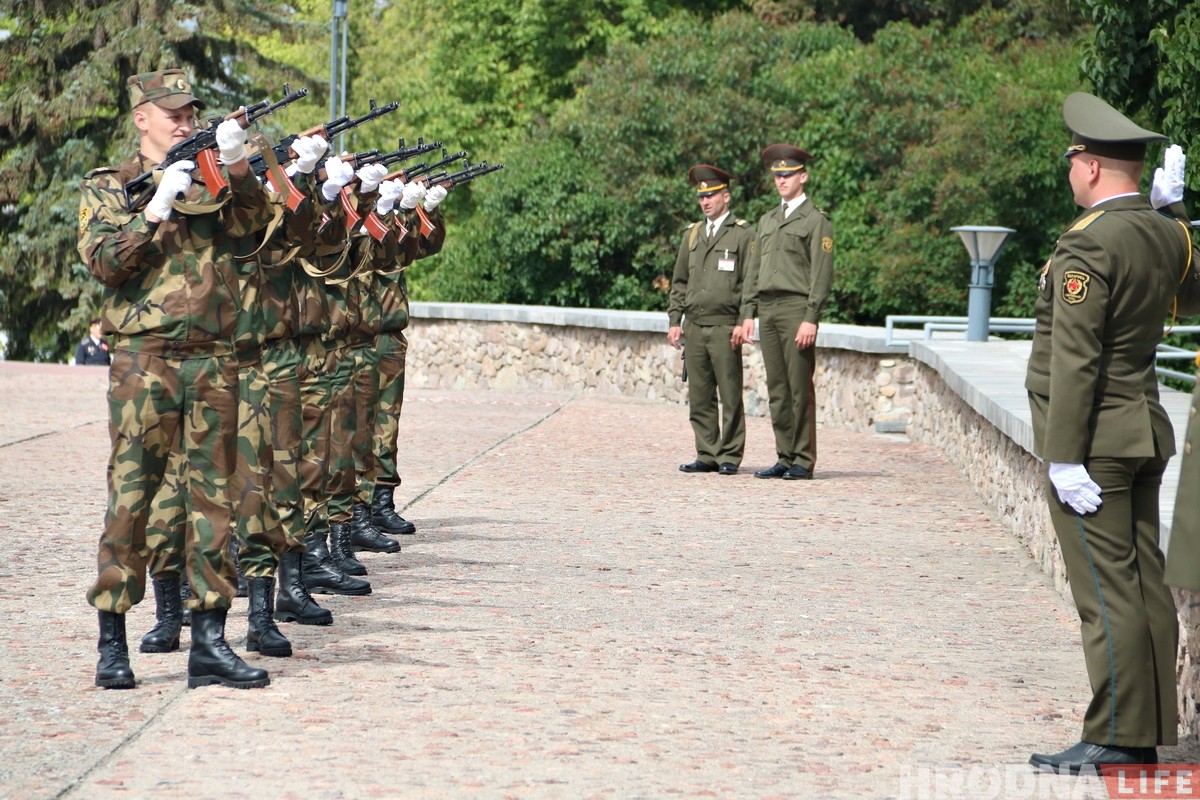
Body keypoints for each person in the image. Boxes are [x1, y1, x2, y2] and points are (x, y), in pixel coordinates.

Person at [77, 67, 276, 690]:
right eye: (173, 114)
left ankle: (210, 641)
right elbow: (105, 262)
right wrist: (154, 209)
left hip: (214, 356)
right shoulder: (110, 187)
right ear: (142, 118)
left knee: (214, 499)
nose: (186, 121)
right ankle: (113, 639)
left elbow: (258, 230)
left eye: (191, 112)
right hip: (146, 358)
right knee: (133, 497)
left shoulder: (209, 176)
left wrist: (238, 165)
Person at [1025, 92, 1200, 774]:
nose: (1070, 171)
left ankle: (1117, 735)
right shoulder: (1160, 232)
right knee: (1141, 584)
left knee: (1104, 591)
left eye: (1073, 159)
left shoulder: (1089, 242)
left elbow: (1074, 359)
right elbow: (1191, 287)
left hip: (1095, 441)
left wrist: (1064, 457)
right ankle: (1146, 726)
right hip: (1143, 427)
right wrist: (1176, 212)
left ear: (1091, 166)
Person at [735, 144, 834, 481]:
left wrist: (811, 316)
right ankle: (784, 455)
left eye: (788, 175)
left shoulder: (815, 220)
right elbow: (753, 271)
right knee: (777, 388)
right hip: (768, 309)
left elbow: (821, 273)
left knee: (798, 388)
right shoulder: (768, 220)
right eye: (777, 175)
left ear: (803, 177)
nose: (781, 180)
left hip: (795, 309)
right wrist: (747, 312)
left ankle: (803, 460)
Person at [667, 165, 757, 475]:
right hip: (694, 325)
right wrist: (674, 319)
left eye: (711, 195)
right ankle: (706, 453)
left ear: (726, 197)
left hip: (724, 325)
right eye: (701, 197)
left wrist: (744, 319)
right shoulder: (692, 234)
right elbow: (679, 281)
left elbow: (749, 283)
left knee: (730, 393)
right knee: (700, 394)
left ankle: (729, 454)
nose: (705, 201)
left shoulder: (743, 234)